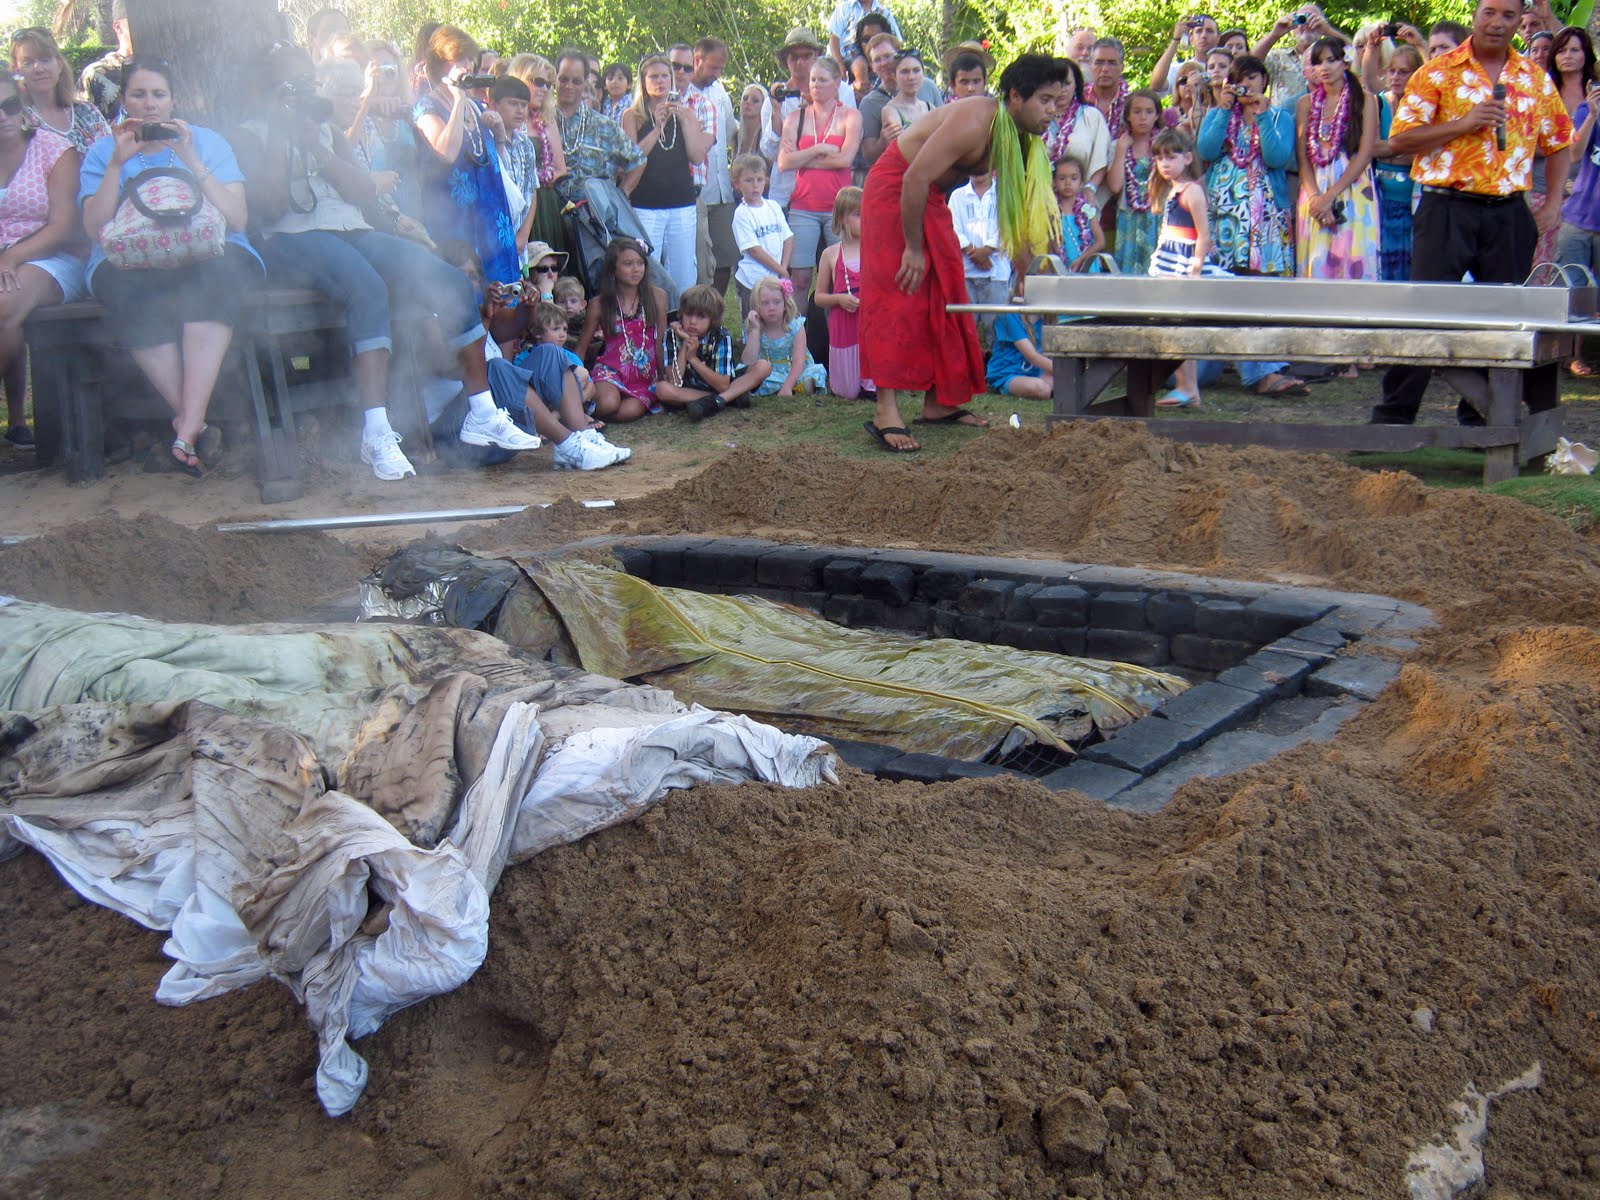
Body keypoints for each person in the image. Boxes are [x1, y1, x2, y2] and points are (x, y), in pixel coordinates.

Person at [238, 42, 537, 481]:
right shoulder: (251, 132)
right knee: (368, 289)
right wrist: (284, 137)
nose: (301, 91)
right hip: (290, 238)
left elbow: (362, 191)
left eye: (306, 81)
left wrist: (317, 149)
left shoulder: (324, 131)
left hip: (351, 228)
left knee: (451, 282)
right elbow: (268, 204)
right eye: (291, 82)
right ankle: (376, 433)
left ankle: (482, 411)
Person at [1371, 0, 1572, 426]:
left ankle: (1481, 415)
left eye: (1508, 15)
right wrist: (1464, 123)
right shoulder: (1438, 71)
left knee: (1502, 318)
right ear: (1476, 15)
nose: (1497, 23)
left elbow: (1558, 141)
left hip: (1508, 212)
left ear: (1520, 22)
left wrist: (1552, 202)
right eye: (1489, 13)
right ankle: (1393, 417)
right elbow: (1401, 140)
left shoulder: (1534, 78)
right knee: (1424, 312)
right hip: (1447, 206)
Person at [860, 53, 1068, 452]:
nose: (1052, 111)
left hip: (929, 197)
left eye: (1057, 102)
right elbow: (915, 176)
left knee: (949, 289)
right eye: (1044, 100)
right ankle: (885, 410)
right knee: (896, 295)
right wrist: (915, 250)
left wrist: (1026, 274)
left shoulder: (1023, 139)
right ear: (1015, 97)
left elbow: (1018, 210)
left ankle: (940, 402)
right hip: (895, 192)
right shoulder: (975, 121)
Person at [78, 59, 260, 475]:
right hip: (130, 258)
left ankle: (189, 425)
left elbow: (237, 219)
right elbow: (93, 227)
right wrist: (114, 165)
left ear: (173, 99)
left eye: (158, 94)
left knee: (215, 278)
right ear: (124, 100)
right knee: (128, 291)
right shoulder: (104, 150)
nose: (149, 104)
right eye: (139, 94)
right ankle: (193, 424)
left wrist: (190, 158)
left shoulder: (207, 141)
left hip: (208, 249)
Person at [1195, 58, 1305, 395]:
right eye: (1240, 81)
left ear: (1264, 82)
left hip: (1265, 210)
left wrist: (1261, 115)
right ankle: (1241, 363)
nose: (1247, 87)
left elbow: (1276, 156)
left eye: (1253, 79)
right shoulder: (1218, 115)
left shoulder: (1279, 116)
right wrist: (1223, 109)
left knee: (1261, 285)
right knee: (1227, 283)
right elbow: (1205, 150)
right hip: (1224, 209)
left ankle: (1264, 359)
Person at [0, 70, 84, 449]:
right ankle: (17, 424)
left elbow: (64, 227)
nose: (2, 115)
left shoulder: (54, 149)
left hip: (52, 256)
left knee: (4, 304)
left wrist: (13, 256)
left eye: (9, 105)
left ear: (21, 105)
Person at [413, 26, 517, 286]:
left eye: (471, 58)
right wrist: (458, 99)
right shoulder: (426, 106)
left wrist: (500, 138)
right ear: (440, 63)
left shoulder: (477, 106)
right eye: (460, 58)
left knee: (506, 298)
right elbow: (446, 153)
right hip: (456, 224)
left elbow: (493, 167)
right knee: (470, 298)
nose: (468, 65)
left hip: (494, 224)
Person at [483, 305, 631, 471]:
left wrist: (526, 303)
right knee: (496, 367)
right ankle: (568, 444)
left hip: (510, 428)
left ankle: (582, 439)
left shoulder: (482, 317)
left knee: (549, 352)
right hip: (466, 435)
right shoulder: (453, 323)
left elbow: (515, 327)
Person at [620, 54, 710, 293]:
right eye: (654, 76)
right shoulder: (632, 115)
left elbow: (697, 156)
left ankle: (681, 322)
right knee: (647, 268)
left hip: (681, 202)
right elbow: (630, 158)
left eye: (664, 76)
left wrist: (686, 122)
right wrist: (656, 126)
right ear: (644, 81)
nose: (660, 81)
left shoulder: (686, 113)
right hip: (645, 204)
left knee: (683, 271)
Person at [778, 57, 861, 309]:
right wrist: (820, 149)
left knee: (841, 277)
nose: (816, 85)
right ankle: (797, 335)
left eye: (823, 80)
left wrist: (802, 158)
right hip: (804, 205)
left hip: (840, 207)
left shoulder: (850, 116)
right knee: (800, 277)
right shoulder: (796, 117)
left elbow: (845, 159)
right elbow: (783, 162)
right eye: (813, 79)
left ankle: (837, 337)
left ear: (837, 82)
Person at [1296, 37, 1379, 282]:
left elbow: (1365, 153)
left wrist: (1331, 195)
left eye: (1331, 60)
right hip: (1314, 188)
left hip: (1351, 186)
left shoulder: (1365, 100)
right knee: (1317, 262)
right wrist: (1315, 198)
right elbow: (1303, 157)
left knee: (1352, 261)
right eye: (1318, 63)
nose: (1324, 68)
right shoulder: (1305, 103)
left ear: (1345, 62)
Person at [1147, 127, 1211, 408]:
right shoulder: (1173, 191)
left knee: (1179, 326)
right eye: (1160, 158)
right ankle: (1188, 387)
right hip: (1168, 261)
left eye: (1171, 157)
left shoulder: (1192, 191)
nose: (1165, 164)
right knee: (1170, 325)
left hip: (1182, 265)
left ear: (1187, 158)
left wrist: (1195, 268)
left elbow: (1204, 235)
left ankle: (1188, 386)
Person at [577, 237, 666, 422]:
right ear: (613, 269)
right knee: (608, 403)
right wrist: (573, 377)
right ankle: (577, 410)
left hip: (645, 376)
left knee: (630, 412)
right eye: (628, 264)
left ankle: (591, 416)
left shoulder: (658, 297)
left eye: (640, 263)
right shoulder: (599, 304)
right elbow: (581, 349)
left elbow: (660, 342)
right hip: (610, 370)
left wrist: (664, 379)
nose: (636, 269)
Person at [657, 283, 771, 419]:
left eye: (701, 316)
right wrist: (684, 348)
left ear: (713, 320)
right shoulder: (672, 335)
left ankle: (717, 401)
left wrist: (693, 359)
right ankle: (729, 398)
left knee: (764, 366)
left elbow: (723, 384)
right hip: (689, 389)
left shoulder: (721, 336)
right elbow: (674, 381)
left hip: (723, 384)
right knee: (662, 389)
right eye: (688, 314)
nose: (692, 321)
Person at [551, 48, 646, 203]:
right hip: (548, 215)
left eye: (576, 81)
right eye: (563, 79)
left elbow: (638, 160)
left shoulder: (603, 125)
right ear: (555, 79)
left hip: (590, 219)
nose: (569, 86)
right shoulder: (541, 122)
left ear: (585, 83)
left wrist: (620, 196)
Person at [344, 42, 424, 223]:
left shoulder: (408, 112)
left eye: (389, 68)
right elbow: (345, 148)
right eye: (377, 69)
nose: (384, 75)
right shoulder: (356, 114)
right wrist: (369, 100)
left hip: (414, 210)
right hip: (379, 215)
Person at [685, 39, 738, 293]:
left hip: (722, 189)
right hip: (693, 191)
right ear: (697, 60)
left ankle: (714, 316)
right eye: (713, 68)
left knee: (725, 258)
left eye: (720, 69)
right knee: (697, 259)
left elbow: (731, 132)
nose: (717, 74)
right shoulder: (681, 93)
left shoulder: (719, 93)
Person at [1370, 42, 1423, 279]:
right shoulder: (1378, 103)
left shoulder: (1424, 106)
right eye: (1392, 71)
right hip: (1381, 199)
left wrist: (1389, 150)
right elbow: (1371, 148)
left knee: (1413, 265)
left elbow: (1425, 153)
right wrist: (1406, 150)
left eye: (1403, 71)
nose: (1395, 77)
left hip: (1416, 200)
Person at [11, 27, 110, 155]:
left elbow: (113, 156)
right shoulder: (19, 121)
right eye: (28, 62)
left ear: (59, 65)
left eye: (45, 60)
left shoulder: (87, 112)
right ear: (16, 71)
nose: (38, 69)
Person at [814, 186, 872, 397]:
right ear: (841, 218)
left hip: (870, 321)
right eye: (858, 215)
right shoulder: (830, 254)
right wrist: (839, 299)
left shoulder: (874, 249)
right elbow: (819, 297)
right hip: (844, 323)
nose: (865, 219)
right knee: (846, 391)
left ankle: (872, 384)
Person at [858, 33, 942, 170]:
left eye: (887, 56)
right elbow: (868, 156)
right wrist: (882, 142)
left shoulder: (928, 87)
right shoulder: (870, 103)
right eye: (877, 60)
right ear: (872, 66)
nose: (884, 63)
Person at [949, 167, 1008, 339]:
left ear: (994, 167)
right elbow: (952, 227)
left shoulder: (1004, 194)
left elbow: (1008, 225)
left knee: (998, 330)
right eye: (973, 164)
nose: (979, 169)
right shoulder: (957, 196)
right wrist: (971, 251)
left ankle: (997, 365)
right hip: (966, 271)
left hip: (996, 272)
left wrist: (988, 250)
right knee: (965, 331)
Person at [731, 153, 792, 319]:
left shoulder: (773, 206)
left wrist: (783, 267)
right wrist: (780, 270)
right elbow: (754, 250)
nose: (755, 186)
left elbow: (788, 238)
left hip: (776, 277)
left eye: (759, 179)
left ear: (766, 180)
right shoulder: (742, 214)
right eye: (749, 180)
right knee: (754, 321)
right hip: (752, 280)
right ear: (737, 184)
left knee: (776, 318)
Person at [1256, 6, 1349, 111]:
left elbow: (1353, 54)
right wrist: (1274, 34)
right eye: (1302, 19)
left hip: (1323, 117)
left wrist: (1328, 31)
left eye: (1312, 19)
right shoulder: (1277, 57)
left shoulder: (1333, 56)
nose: (1306, 25)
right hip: (1284, 122)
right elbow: (1248, 64)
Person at [1110, 89, 1162, 274]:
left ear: (1157, 115)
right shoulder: (1120, 145)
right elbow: (1115, 186)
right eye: (1137, 111)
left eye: (1149, 112)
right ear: (1128, 116)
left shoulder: (1164, 144)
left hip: (1158, 215)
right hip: (1129, 216)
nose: (1143, 117)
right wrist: (1121, 152)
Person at [745, 276, 826, 396]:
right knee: (748, 374)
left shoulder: (796, 326)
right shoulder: (756, 327)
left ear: (784, 304)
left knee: (815, 371)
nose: (771, 307)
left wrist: (787, 386)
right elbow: (748, 361)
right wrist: (755, 331)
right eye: (765, 303)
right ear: (757, 307)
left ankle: (800, 385)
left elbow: (799, 361)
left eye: (776, 302)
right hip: (768, 373)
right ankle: (796, 388)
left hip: (796, 370)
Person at [1042, 58, 1111, 190]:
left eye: (1067, 83)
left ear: (1076, 85)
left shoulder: (1092, 116)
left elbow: (1101, 160)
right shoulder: (1035, 116)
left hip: (1080, 200)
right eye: (1056, 83)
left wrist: (1090, 189)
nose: (1062, 89)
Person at [79, 0, 134, 122]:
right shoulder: (95, 74)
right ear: (118, 27)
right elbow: (85, 127)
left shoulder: (164, 68)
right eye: (136, 21)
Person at [985, 310, 1053, 399]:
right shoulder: (1009, 314)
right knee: (1042, 389)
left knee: (1067, 384)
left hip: (1035, 373)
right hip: (1008, 374)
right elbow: (1032, 356)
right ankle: (1002, 388)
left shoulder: (1046, 317)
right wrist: (1062, 372)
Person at [1054, 155, 1105, 271]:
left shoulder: (1087, 209)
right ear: (1054, 182)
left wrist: (1081, 259)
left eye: (1073, 178)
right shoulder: (1053, 211)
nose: (1067, 183)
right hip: (1062, 269)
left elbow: (1100, 241)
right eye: (1062, 178)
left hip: (1087, 268)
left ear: (1081, 182)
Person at [1150, 13, 1222, 94]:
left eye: (1209, 31)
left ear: (1218, 38)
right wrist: (1175, 40)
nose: (1204, 35)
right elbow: (1156, 85)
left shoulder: (1226, 68)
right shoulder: (1181, 70)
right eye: (1199, 31)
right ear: (1191, 39)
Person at [827, 0, 902, 67]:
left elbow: (896, 41)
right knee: (860, 64)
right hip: (844, 59)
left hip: (876, 58)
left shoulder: (884, 12)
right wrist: (839, 64)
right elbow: (834, 38)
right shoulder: (843, 8)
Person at [882, 49, 933, 132]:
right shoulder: (890, 110)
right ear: (894, 76)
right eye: (905, 72)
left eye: (916, 70)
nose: (911, 77)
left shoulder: (929, 107)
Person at [1165, 60, 1206, 132]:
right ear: (1177, 86)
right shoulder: (1166, 114)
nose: (1189, 84)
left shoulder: (1209, 111)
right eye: (1184, 80)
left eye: (1194, 81)